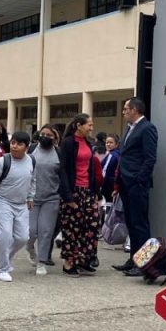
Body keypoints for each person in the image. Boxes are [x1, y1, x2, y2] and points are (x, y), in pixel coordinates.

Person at [0, 131, 35, 282]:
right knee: (4, 235)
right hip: (3, 202)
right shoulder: (3, 161)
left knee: (23, 238)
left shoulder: (31, 161)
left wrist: (30, 196)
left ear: (27, 147)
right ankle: (2, 269)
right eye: (13, 143)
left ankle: (7, 256)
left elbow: (32, 179)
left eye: (19, 144)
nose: (15, 146)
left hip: (21, 204)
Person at [112, 97, 157, 276]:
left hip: (137, 184)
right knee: (131, 223)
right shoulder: (129, 129)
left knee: (140, 224)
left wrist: (139, 179)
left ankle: (145, 264)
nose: (123, 112)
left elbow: (150, 158)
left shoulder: (147, 128)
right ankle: (134, 259)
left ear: (135, 110)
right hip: (125, 182)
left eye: (125, 109)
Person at [57, 114, 103, 277]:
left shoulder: (89, 143)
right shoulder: (68, 143)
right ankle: (69, 263)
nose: (91, 128)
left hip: (88, 191)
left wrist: (96, 192)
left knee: (91, 224)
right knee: (72, 228)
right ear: (78, 125)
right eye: (88, 125)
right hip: (73, 190)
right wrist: (67, 197)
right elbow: (62, 169)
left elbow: (91, 169)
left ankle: (83, 259)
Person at [28, 124, 61, 274]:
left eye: (49, 135)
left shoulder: (58, 153)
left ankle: (41, 262)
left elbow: (63, 175)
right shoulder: (31, 150)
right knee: (31, 230)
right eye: (43, 134)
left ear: (55, 137)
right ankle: (29, 248)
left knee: (46, 231)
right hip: (32, 197)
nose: (46, 137)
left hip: (52, 198)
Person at [101, 133, 121, 200]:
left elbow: (105, 171)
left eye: (111, 142)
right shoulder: (118, 154)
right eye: (107, 142)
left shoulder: (112, 155)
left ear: (116, 144)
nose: (108, 144)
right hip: (114, 184)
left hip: (108, 185)